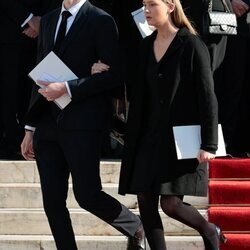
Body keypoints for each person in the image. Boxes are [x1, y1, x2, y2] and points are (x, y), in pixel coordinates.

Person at [93, 0, 225, 249]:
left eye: (152, 5)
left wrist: (209, 143)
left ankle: (210, 230)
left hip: (178, 140)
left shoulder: (192, 45)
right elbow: (131, 82)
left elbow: (208, 97)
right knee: (145, 199)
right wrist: (101, 69)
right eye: (144, 5)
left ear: (171, 7)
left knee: (171, 204)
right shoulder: (145, 46)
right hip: (147, 136)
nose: (146, 10)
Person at [21, 1, 145, 250]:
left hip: (83, 123)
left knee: (87, 195)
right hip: (47, 123)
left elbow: (114, 76)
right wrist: (30, 128)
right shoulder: (48, 20)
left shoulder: (101, 20)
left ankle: (135, 226)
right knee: (52, 202)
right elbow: (40, 71)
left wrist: (68, 87)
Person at [0, 0, 61, 160]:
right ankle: (14, 140)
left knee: (39, 88)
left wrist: (45, 21)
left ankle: (37, 138)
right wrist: (29, 19)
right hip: (9, 32)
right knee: (9, 91)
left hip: (49, 30)